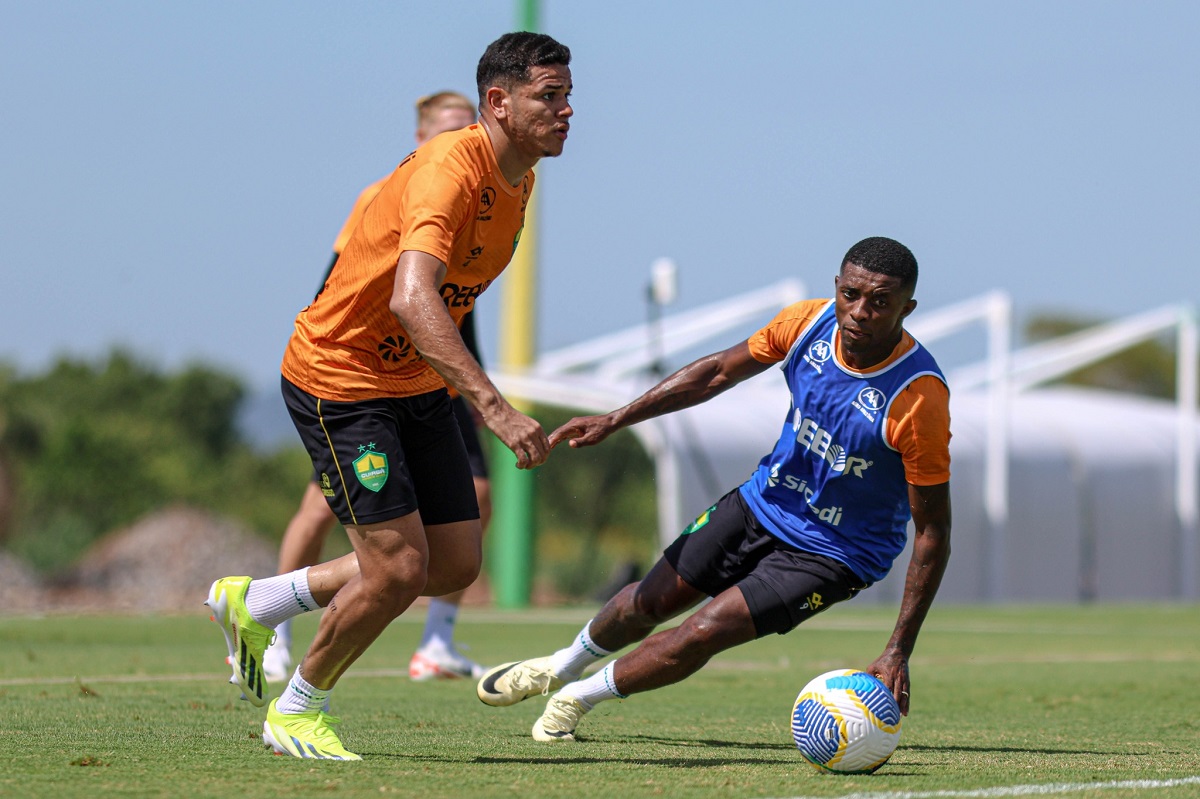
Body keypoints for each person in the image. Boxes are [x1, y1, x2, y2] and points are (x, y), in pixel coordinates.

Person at [206, 31, 573, 760]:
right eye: (549, 97)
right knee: (399, 569)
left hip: (416, 383)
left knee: (456, 562)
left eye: (568, 97)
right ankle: (298, 708)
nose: (567, 112)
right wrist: (494, 407)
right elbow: (413, 297)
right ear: (497, 102)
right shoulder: (449, 169)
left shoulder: (520, 180)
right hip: (341, 380)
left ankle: (261, 601)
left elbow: (452, 303)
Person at [476, 236, 952, 743]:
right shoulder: (806, 324)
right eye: (851, 294)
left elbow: (933, 530)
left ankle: (577, 699)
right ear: (836, 287)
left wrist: (899, 647)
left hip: (836, 552)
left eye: (881, 302)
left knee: (702, 632)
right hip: (761, 504)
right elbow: (718, 372)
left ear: (908, 308)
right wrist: (617, 418)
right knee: (646, 603)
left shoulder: (917, 398)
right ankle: (559, 667)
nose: (860, 312)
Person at [262, 91, 492, 685]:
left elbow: (459, 309)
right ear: (419, 137)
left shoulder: (490, 195)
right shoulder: (388, 194)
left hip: (432, 380)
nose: (460, 137)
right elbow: (342, 292)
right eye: (447, 129)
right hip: (357, 380)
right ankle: (277, 637)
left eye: (466, 127)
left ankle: (435, 644)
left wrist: (478, 391)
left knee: (467, 521)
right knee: (340, 525)